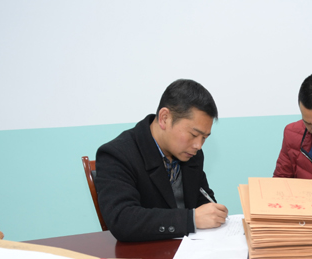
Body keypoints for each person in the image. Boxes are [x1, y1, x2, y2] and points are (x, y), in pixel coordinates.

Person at [95, 79, 228, 242]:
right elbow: (122, 219)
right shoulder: (117, 154)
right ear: (164, 118)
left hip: (189, 249)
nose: (198, 145)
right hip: (146, 252)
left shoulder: (192, 153)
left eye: (204, 138)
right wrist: (190, 219)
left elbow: (203, 201)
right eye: (194, 135)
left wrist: (213, 213)